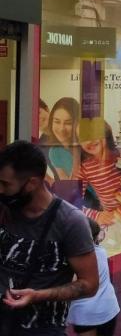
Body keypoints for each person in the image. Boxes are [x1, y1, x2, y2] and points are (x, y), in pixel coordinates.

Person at [0, 141, 98, 335]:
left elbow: (89, 284)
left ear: (32, 183)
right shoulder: (5, 209)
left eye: (6, 184)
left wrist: (37, 296)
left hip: (42, 329)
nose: (0, 190)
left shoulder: (70, 222)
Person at [68, 218, 120, 336]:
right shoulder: (101, 251)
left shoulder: (75, 258)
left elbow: (73, 284)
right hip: (109, 308)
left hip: (87, 314)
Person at [79, 123, 121, 227]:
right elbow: (72, 203)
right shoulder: (84, 167)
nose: (88, 141)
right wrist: (97, 216)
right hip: (113, 222)